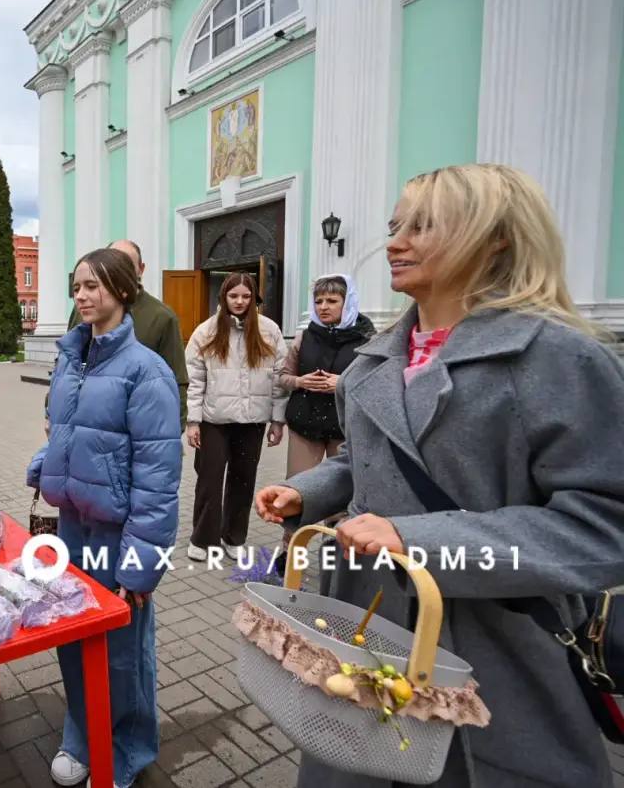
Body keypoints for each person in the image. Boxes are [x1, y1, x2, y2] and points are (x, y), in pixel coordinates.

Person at [256, 164, 624, 787]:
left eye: (423, 226)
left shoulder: (560, 360)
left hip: (493, 645)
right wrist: (305, 491)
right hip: (364, 620)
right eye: (395, 227)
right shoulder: (372, 362)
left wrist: (417, 539)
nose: (395, 243)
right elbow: (360, 460)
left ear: (496, 238)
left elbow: (604, 523)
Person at [28, 247, 180, 788]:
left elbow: (158, 479)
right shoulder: (72, 359)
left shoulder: (147, 371)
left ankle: (125, 749)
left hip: (118, 536)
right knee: (73, 638)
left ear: (122, 289)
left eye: (93, 285)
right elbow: (65, 431)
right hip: (71, 527)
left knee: (122, 652)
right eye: (76, 286)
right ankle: (82, 731)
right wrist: (45, 465)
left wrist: (140, 566)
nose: (82, 295)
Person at [184, 272, 287, 561]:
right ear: (224, 297)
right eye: (233, 296)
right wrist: (193, 421)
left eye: (246, 296)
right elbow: (195, 380)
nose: (240, 301)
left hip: (252, 421)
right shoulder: (206, 331)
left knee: (243, 481)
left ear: (254, 298)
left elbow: (279, 378)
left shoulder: (269, 330)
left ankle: (233, 536)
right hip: (214, 420)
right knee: (209, 480)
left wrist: (277, 420)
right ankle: (202, 539)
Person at [64, 239, 188, 424]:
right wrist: (52, 411)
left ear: (141, 269)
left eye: (125, 263)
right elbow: (68, 363)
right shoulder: (83, 311)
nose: (117, 267)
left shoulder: (162, 317)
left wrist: (176, 425)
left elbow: (176, 379)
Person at [280, 274, 374, 477]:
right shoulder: (303, 337)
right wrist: (300, 381)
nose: (323, 307)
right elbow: (283, 377)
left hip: (346, 426)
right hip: (305, 422)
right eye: (318, 301)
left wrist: (343, 383)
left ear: (347, 303)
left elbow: (376, 384)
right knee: (298, 485)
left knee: (343, 486)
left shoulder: (367, 340)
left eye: (332, 301)